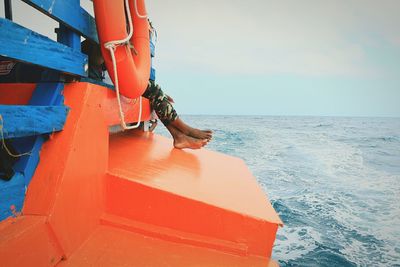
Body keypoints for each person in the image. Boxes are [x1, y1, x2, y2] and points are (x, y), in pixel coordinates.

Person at [81, 40, 213, 149]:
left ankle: (179, 135)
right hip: (93, 85)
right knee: (153, 90)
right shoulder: (93, 43)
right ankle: (184, 131)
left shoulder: (108, 41)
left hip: (108, 83)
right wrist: (118, 48)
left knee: (153, 91)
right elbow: (99, 60)